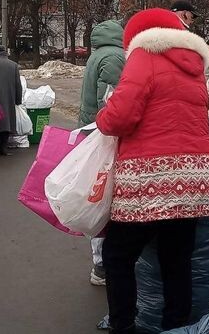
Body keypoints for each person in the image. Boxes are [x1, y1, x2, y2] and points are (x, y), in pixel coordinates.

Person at [96, 8, 209, 334]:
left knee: (117, 254)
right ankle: (175, 328)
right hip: (196, 176)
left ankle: (123, 327)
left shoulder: (144, 55)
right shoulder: (195, 68)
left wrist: (102, 118)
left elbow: (120, 117)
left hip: (152, 177)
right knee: (176, 261)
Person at [76, 19, 126, 287]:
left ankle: (101, 262)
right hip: (103, 137)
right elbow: (110, 103)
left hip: (91, 132)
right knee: (107, 202)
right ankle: (103, 265)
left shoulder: (98, 55)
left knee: (99, 200)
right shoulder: (115, 57)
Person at [0, 44, 23, 156]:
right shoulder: (13, 65)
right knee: (7, 122)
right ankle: (3, 148)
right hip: (9, 98)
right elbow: (18, 84)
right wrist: (18, 100)